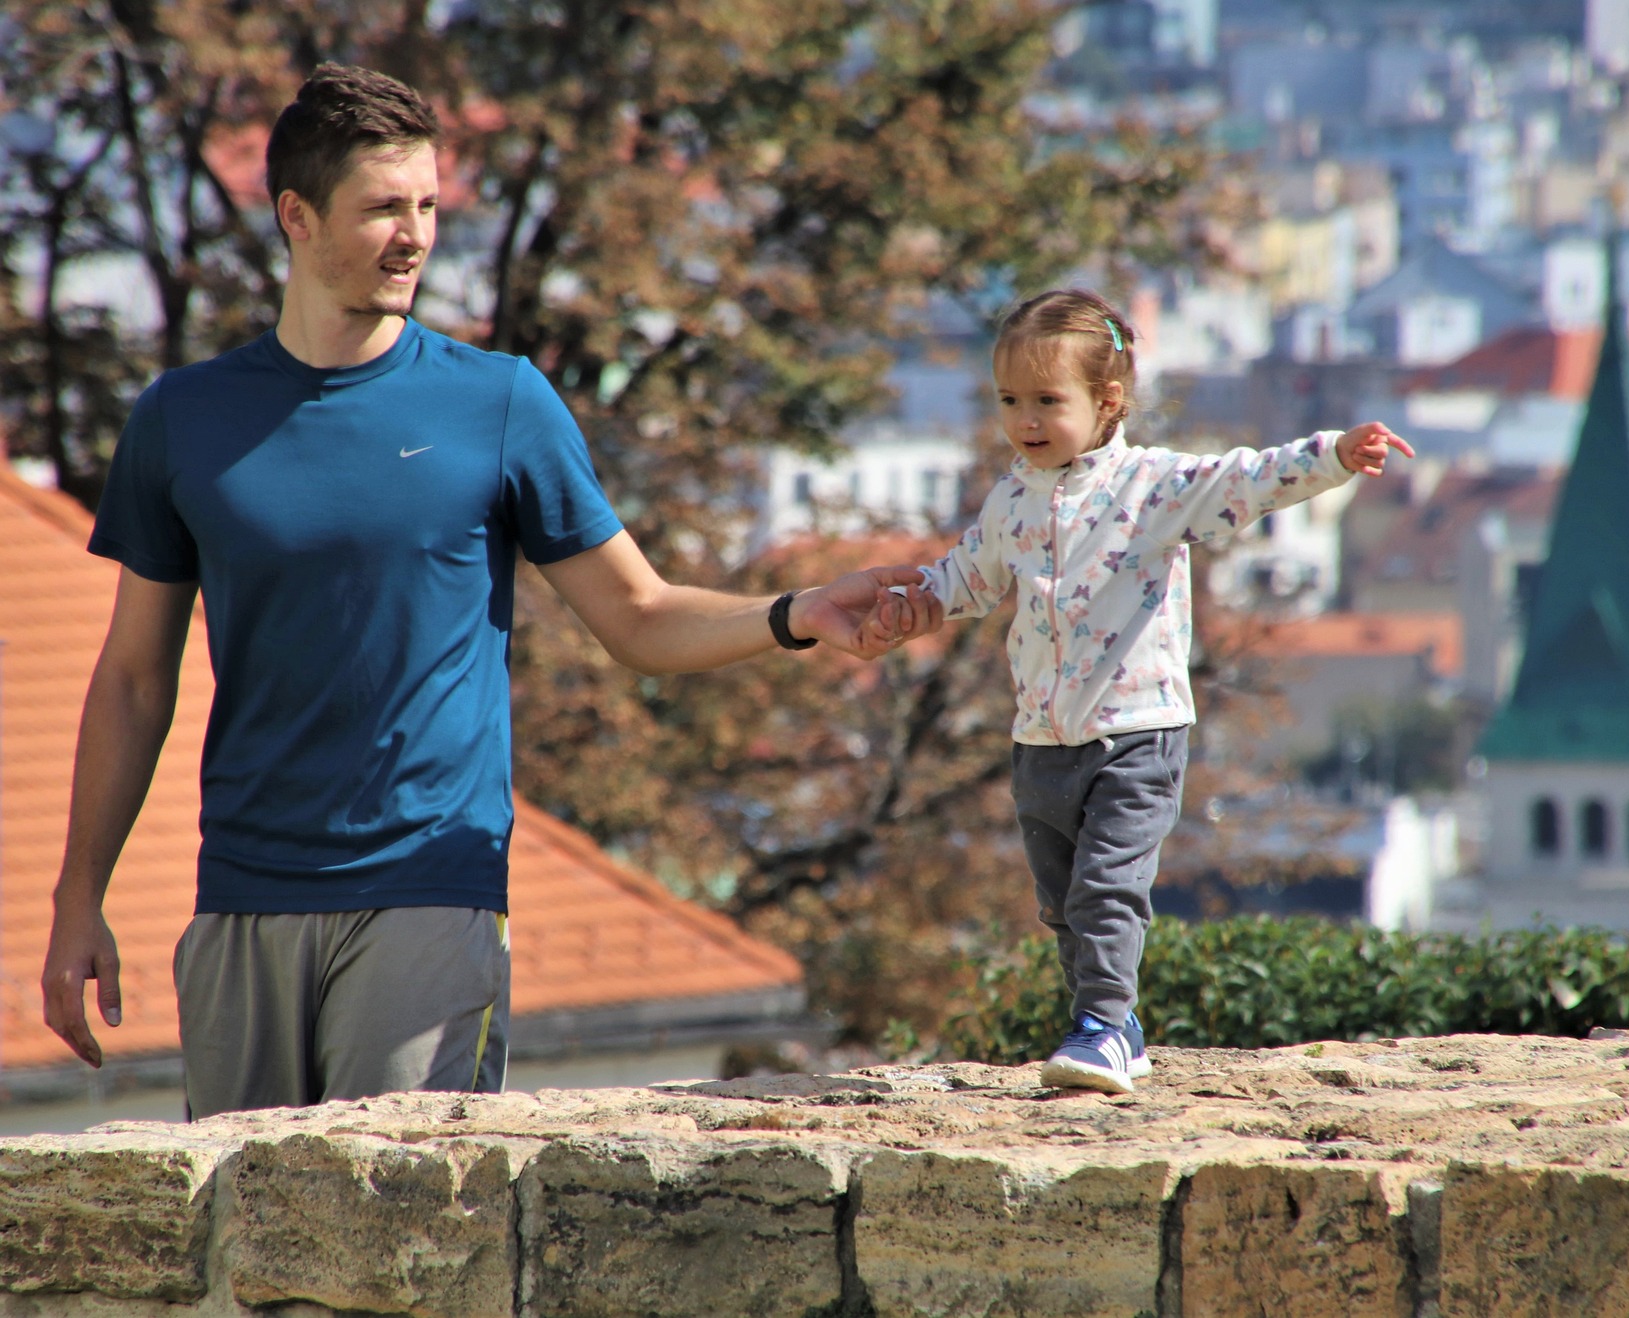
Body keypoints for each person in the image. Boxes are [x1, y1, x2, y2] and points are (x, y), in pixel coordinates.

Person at [39, 63, 935, 1119]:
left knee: (394, 1241)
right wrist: (77, 896)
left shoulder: (501, 403)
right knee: (247, 1257)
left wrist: (797, 614)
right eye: (383, 207)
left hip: (431, 890)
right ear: (297, 216)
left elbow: (638, 617)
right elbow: (135, 678)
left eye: (427, 205)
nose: (414, 233)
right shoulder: (183, 419)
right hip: (242, 896)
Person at [860, 289, 1413, 1093]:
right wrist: (915, 605)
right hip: (1041, 740)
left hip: (1136, 732)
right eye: (1010, 401)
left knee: (1107, 888)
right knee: (1062, 908)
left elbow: (1246, 479)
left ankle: (1104, 1027)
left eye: (1048, 401)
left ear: (1108, 401)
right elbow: (967, 574)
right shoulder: (1012, 498)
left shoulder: (1152, 488)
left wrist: (1333, 453)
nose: (1026, 420)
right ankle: (1113, 1023)